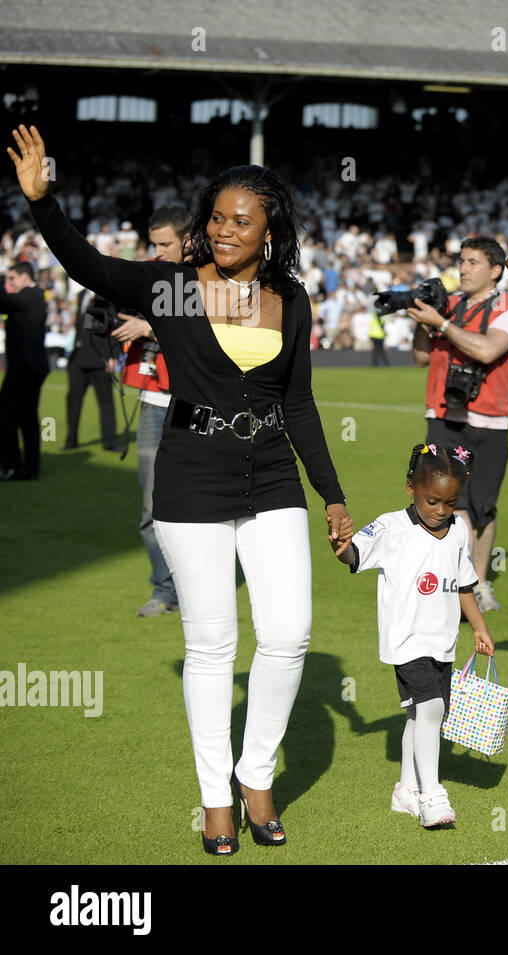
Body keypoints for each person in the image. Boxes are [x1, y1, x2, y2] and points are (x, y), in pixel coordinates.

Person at [9, 124, 353, 855]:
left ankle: (256, 774)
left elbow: (298, 404)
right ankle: (215, 799)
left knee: (288, 632)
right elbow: (88, 264)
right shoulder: (168, 285)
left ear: (270, 231)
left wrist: (332, 493)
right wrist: (43, 204)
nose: (224, 230)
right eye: (217, 217)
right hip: (191, 473)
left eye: (241, 220)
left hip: (271, 474)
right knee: (211, 644)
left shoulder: (290, 298)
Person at [335, 443, 495, 829]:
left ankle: (405, 790)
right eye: (432, 501)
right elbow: (354, 554)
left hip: (442, 642)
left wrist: (478, 627)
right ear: (411, 488)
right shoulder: (391, 528)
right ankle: (432, 795)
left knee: (418, 715)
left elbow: (465, 586)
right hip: (407, 641)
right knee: (432, 709)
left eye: (449, 502)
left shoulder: (457, 531)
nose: (440, 510)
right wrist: (340, 547)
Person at [409, 236, 508, 614]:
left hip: (491, 421)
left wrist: (441, 323)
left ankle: (478, 583)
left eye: (472, 262)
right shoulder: (448, 307)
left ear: (496, 271)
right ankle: (455, 586)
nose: (462, 268)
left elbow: (486, 349)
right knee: (452, 504)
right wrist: (421, 321)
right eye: (461, 261)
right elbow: (418, 358)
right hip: (446, 418)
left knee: (482, 508)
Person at [109, 205, 188, 616]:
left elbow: (206, 326)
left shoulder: (205, 278)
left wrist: (150, 326)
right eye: (152, 244)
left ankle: (196, 587)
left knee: (201, 502)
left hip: (194, 406)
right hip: (153, 402)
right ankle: (164, 590)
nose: (156, 252)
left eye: (164, 244)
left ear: (187, 240)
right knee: (151, 505)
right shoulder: (149, 276)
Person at [0, 261, 48, 480]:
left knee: (7, 417)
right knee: (26, 418)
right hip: (27, 367)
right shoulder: (30, 297)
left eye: (12, 278)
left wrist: (0, 281)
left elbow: (3, 300)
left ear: (24, 277)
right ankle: (28, 468)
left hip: (25, 369)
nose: (9, 283)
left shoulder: (32, 295)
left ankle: (14, 465)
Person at [62, 286, 121, 452]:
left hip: (100, 358)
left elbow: (116, 325)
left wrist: (114, 355)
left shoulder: (109, 295)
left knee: (106, 401)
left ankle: (110, 442)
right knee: (73, 400)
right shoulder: (81, 295)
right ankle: (70, 441)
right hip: (78, 358)